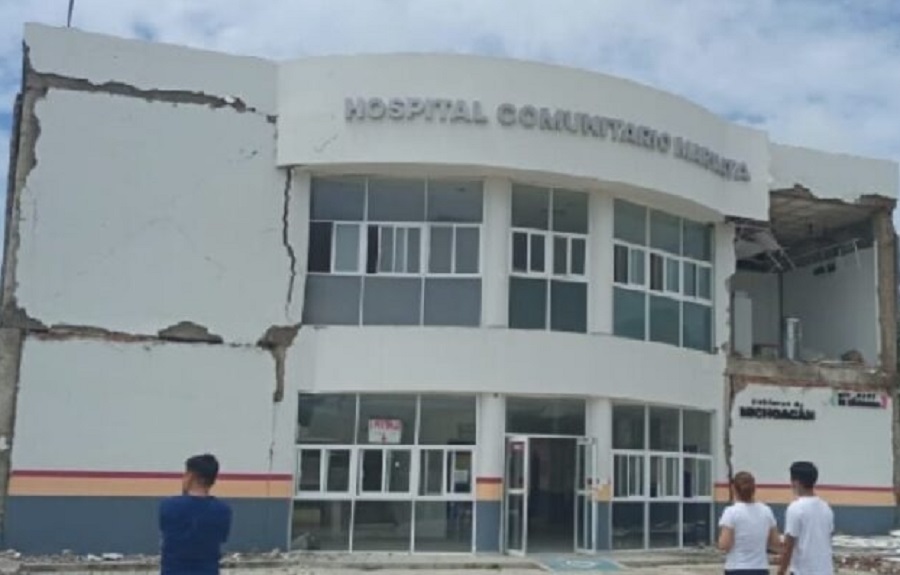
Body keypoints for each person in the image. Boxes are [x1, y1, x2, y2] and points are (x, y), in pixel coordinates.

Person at [159, 454, 233, 575]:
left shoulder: (168, 506)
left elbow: (165, 533)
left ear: (190, 476)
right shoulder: (223, 510)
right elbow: (222, 539)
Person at [718, 471, 781, 575]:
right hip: (760, 568)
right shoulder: (766, 511)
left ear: (734, 489)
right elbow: (775, 543)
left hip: (736, 568)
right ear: (754, 489)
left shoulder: (730, 512)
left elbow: (725, 544)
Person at [778, 461, 834, 575]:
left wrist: (781, 571)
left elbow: (788, 546)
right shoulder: (826, 507)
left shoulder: (795, 508)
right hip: (825, 570)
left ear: (796, 482)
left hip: (803, 571)